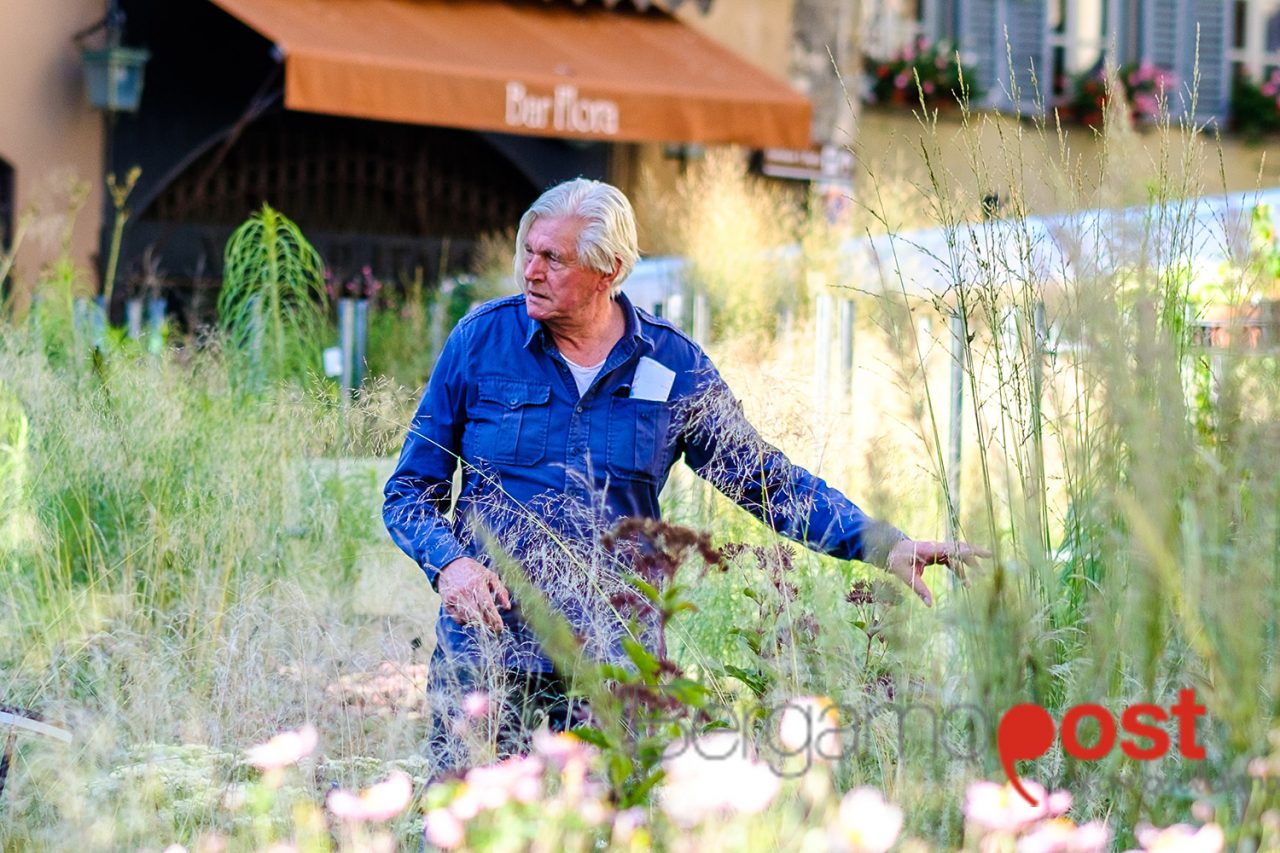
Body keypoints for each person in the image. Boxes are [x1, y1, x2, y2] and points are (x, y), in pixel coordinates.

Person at [383, 178, 987, 762]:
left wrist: (883, 544)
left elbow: (763, 478)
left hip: (616, 664)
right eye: (528, 253)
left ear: (610, 270)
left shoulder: (674, 367)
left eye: (553, 259)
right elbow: (409, 491)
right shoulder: (479, 342)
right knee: (467, 826)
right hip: (491, 656)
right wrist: (451, 565)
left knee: (611, 834)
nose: (530, 272)